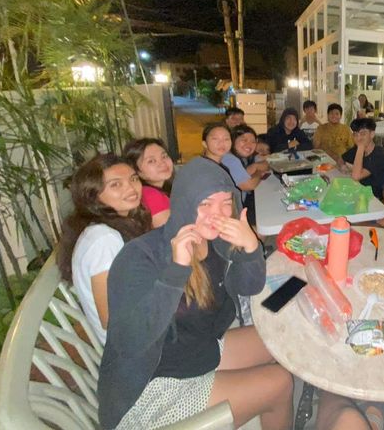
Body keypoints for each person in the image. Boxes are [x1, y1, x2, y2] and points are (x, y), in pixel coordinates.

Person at [98, 157, 294, 429]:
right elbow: (130, 341)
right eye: (204, 204)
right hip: (152, 389)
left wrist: (250, 250)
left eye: (226, 202)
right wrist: (176, 271)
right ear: (184, 205)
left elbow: (248, 287)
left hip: (194, 351)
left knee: (280, 339)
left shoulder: (214, 242)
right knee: (280, 382)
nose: (218, 214)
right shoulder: (140, 256)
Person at [56, 154, 151, 344]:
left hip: (148, 336)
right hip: (140, 352)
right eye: (116, 184)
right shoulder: (104, 240)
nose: (131, 187)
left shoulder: (115, 227)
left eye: (133, 178)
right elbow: (112, 318)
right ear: (93, 195)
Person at [222, 125, 270, 226]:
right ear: (233, 141)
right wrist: (258, 171)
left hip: (240, 203)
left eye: (253, 141)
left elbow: (266, 164)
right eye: (244, 140)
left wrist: (255, 166)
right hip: (230, 214)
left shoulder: (243, 157)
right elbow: (249, 185)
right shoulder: (230, 159)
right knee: (266, 218)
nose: (249, 145)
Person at [123, 138, 174, 228]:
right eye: (151, 161)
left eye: (164, 156)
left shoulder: (160, 190)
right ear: (136, 171)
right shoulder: (151, 195)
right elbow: (172, 234)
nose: (162, 163)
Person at [340, 118, 384, 200]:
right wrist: (343, 166)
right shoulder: (356, 149)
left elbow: (356, 176)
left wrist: (360, 147)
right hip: (361, 191)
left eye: (363, 134)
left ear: (372, 134)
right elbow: (341, 159)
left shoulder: (379, 154)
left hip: (376, 198)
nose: (358, 138)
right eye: (355, 134)